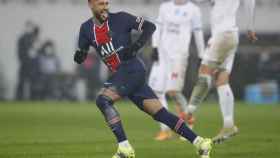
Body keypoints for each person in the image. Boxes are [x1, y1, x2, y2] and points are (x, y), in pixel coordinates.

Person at [74, 0, 212, 158]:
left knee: (102, 100)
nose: (105, 7)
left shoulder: (121, 18)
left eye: (106, 3)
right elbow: (82, 51)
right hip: (122, 74)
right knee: (160, 114)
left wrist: (136, 46)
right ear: (90, 4)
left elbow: (150, 27)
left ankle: (124, 148)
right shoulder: (85, 29)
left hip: (131, 69)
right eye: (100, 4)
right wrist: (80, 56)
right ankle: (200, 143)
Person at [185, 0, 258, 144]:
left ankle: (188, 112)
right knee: (221, 80)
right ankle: (228, 125)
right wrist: (250, 26)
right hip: (231, 35)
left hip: (222, 35)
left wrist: (250, 26)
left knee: (204, 73)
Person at [148, 0, 205, 141]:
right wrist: (155, 46)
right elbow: (158, 27)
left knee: (173, 91)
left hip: (178, 56)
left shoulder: (193, 10)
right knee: (155, 91)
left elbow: (198, 32)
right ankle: (165, 130)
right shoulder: (164, 7)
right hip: (162, 55)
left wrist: (201, 55)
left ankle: (188, 122)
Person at [16, 21, 40, 100]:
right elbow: (20, 52)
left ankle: (33, 98)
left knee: (33, 82)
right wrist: (24, 59)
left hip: (33, 64)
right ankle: (19, 98)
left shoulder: (34, 38)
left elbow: (37, 50)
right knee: (22, 81)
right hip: (24, 63)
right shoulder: (22, 38)